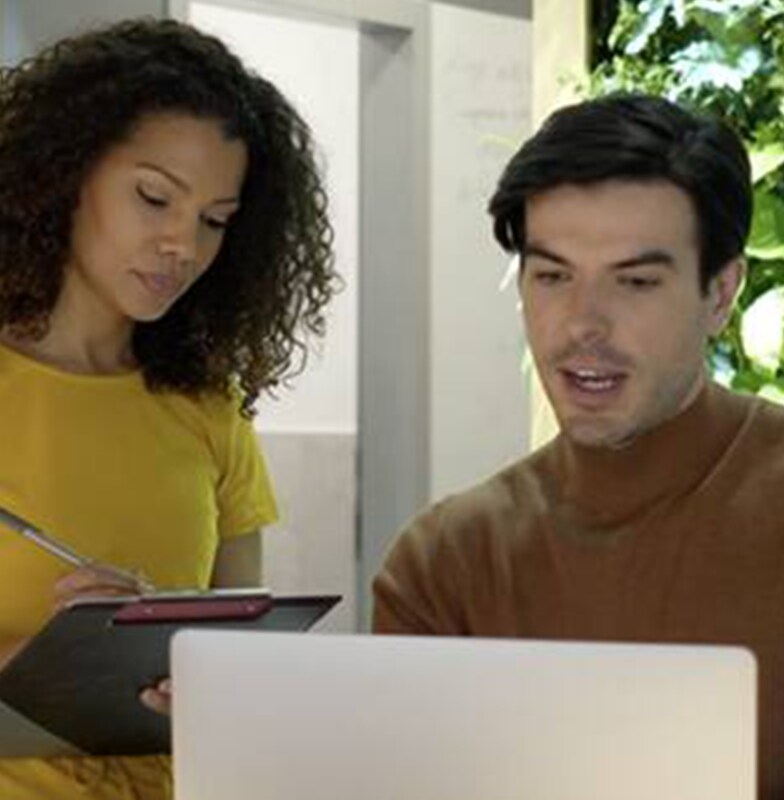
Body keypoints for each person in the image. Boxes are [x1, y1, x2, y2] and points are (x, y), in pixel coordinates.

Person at [373, 93, 784, 799]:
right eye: (553, 276)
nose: (581, 325)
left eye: (635, 282)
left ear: (719, 293)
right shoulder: (445, 562)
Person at [0, 16, 337, 800]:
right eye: (156, 198)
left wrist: (190, 664)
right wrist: (45, 665)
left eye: (215, 221)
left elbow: (244, 670)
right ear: (65, 171)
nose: (182, 244)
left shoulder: (209, 411)